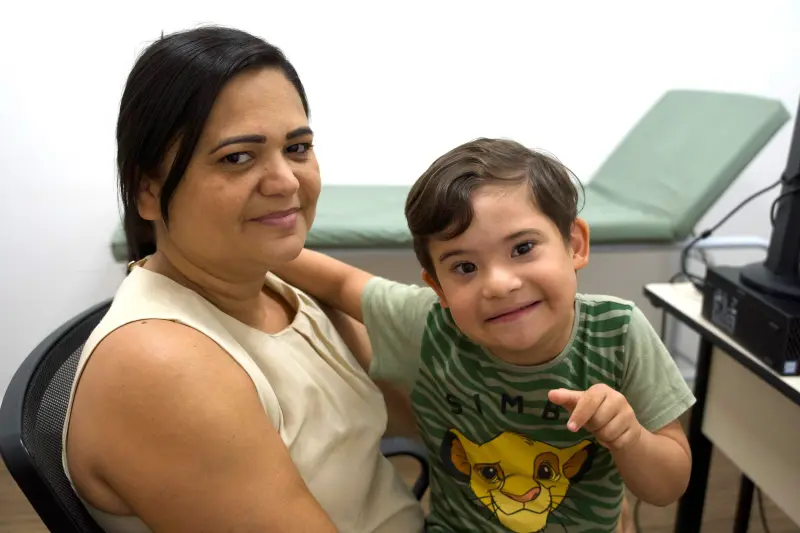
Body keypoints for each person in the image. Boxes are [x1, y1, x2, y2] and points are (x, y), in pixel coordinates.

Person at [60, 26, 425, 533]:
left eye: (297, 147)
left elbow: (424, 413)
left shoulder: (271, 281)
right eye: (237, 157)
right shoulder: (161, 367)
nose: (286, 181)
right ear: (148, 191)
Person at [272, 138, 696, 532]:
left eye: (523, 248)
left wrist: (628, 436)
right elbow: (341, 284)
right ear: (438, 288)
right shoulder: (429, 324)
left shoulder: (619, 333)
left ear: (575, 245)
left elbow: (667, 488)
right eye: (465, 268)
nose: (499, 284)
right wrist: (257, 249)